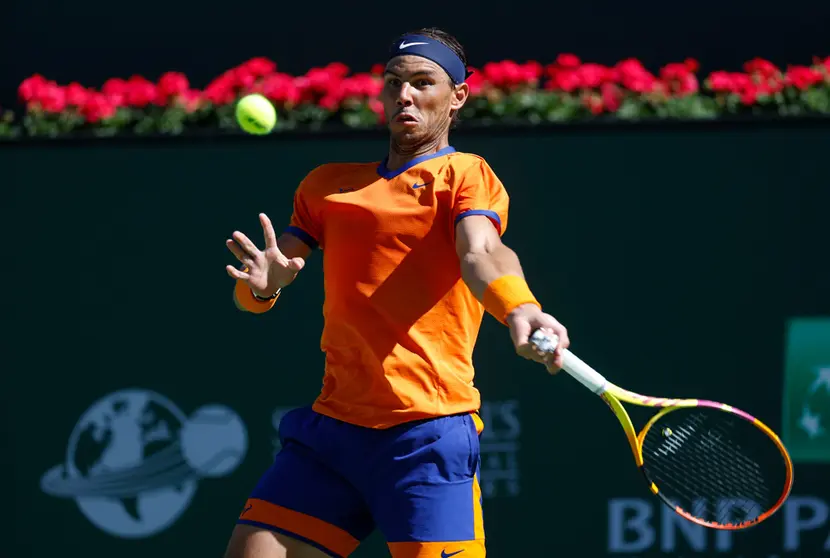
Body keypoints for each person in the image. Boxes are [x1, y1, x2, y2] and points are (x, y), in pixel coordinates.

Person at [222, 27, 570, 558]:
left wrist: (520, 306)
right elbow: (258, 291)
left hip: (427, 438)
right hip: (331, 436)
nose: (404, 95)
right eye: (393, 83)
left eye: (423, 82)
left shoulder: (465, 174)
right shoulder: (327, 187)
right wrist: (264, 287)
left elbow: (480, 253)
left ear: (457, 97)